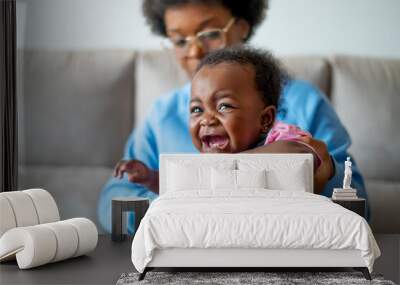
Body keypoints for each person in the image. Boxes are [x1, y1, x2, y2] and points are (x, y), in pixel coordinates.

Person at [98, 0, 367, 233]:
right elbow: (115, 197)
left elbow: (357, 203)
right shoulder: (162, 114)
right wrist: (182, 213)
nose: (194, 52)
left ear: (243, 25)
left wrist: (325, 173)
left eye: (210, 33)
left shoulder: (304, 104)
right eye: (180, 40)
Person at [115, 46, 322, 190]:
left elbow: (301, 153)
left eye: (224, 106)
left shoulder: (278, 136)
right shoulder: (206, 167)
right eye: (197, 109)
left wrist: (227, 165)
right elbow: (182, 185)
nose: (207, 119)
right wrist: (150, 178)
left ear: (265, 119)